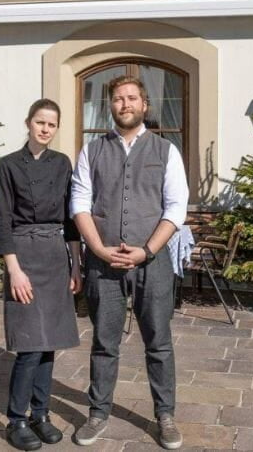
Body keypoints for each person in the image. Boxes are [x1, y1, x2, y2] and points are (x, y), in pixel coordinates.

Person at [70, 76, 189, 450]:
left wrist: (147, 250)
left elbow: (175, 208)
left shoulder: (166, 151)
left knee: (159, 343)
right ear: (111, 106)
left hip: (151, 264)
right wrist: (99, 250)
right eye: (119, 99)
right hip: (102, 263)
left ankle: (165, 415)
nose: (125, 104)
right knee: (104, 343)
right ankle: (98, 413)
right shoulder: (91, 150)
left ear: (145, 104)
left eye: (132, 98)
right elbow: (80, 203)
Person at [0, 98, 82, 451]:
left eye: (52, 124)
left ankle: (40, 414)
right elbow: (2, 220)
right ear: (28, 122)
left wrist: (76, 264)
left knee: (50, 345)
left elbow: (70, 217)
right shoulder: (7, 165)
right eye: (40, 122)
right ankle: (16, 419)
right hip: (23, 255)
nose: (45, 129)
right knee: (29, 344)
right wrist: (13, 269)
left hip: (55, 256)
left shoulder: (62, 164)